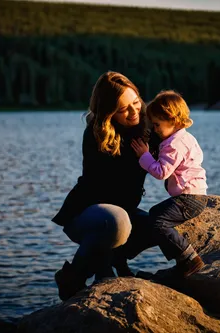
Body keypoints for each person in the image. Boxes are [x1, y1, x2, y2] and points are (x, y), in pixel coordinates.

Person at [51, 71, 160, 301]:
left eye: (135, 102)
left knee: (160, 226)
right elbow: (101, 190)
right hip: (89, 214)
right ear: (109, 113)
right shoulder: (96, 134)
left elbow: (176, 144)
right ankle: (77, 275)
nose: (134, 112)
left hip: (122, 211)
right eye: (123, 109)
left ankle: (115, 262)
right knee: (117, 221)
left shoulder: (148, 123)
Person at [131, 90, 209, 277]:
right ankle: (182, 260)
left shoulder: (175, 144)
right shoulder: (185, 137)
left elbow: (161, 172)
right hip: (193, 196)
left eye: (157, 125)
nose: (155, 129)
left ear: (172, 120)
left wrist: (145, 156)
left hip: (188, 199)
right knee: (155, 214)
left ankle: (189, 258)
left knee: (158, 222)